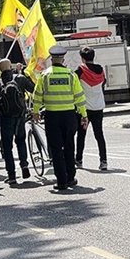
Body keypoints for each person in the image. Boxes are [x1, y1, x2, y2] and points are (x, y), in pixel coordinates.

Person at [32, 46, 88, 191]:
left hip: (52, 116)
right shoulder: (70, 75)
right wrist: (83, 115)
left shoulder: (44, 75)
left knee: (56, 149)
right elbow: (80, 97)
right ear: (63, 60)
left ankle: (61, 181)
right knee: (69, 146)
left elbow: (37, 96)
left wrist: (36, 112)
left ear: (52, 59)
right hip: (69, 116)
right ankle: (70, 177)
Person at [0, 58, 34, 185]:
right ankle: (24, 165)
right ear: (11, 66)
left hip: (6, 118)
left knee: (7, 145)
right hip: (20, 115)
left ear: (0, 69)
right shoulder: (20, 78)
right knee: (20, 140)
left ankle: (11, 175)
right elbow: (33, 89)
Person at [74, 46, 108, 171]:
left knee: (81, 135)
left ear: (82, 58)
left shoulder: (81, 70)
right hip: (99, 106)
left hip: (85, 108)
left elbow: (74, 83)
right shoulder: (101, 70)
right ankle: (103, 161)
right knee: (99, 135)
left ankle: (79, 160)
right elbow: (103, 82)